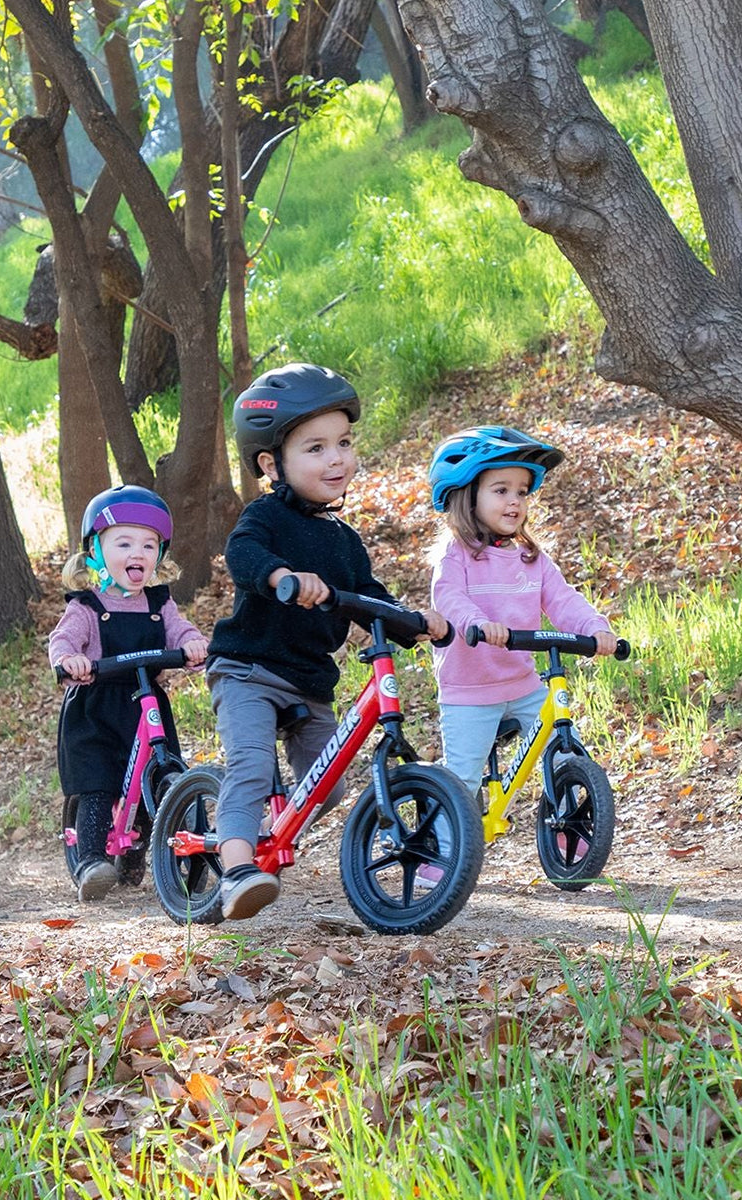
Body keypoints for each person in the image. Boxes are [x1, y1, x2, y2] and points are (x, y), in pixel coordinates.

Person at [207, 362, 448, 921]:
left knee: (329, 785)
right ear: (272, 464)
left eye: (343, 443)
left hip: (310, 681)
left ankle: (271, 831)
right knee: (247, 765)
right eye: (315, 448)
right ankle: (238, 867)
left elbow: (369, 595)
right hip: (248, 670)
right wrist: (280, 577)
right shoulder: (264, 516)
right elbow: (242, 556)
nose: (336, 458)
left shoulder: (345, 541)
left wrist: (415, 620)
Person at [425, 426, 617, 883]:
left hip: (523, 681)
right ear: (465, 495)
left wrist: (595, 628)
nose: (515, 501)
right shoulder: (455, 555)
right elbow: (448, 598)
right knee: (464, 775)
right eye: (501, 490)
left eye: (523, 491)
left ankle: (567, 833)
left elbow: (563, 599)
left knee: (560, 750)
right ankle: (441, 853)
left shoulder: (532, 557)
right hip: (470, 689)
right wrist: (476, 623)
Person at [49, 485, 209, 902]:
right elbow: (63, 640)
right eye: (123, 542)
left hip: (146, 701)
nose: (137, 552)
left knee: (157, 772)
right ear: (95, 552)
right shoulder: (86, 605)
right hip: (97, 705)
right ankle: (89, 861)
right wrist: (70, 660)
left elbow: (180, 630)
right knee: (100, 781)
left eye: (148, 544)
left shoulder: (159, 602)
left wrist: (192, 643)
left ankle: (149, 848)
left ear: (160, 554)